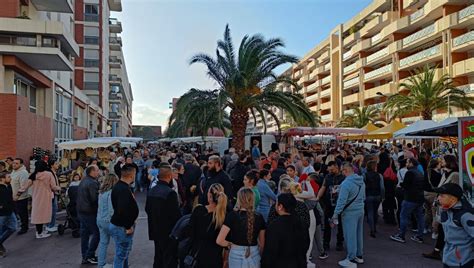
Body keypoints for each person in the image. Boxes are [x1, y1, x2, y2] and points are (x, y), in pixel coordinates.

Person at [216, 187, 266, 268]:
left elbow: (219, 240)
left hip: (236, 253)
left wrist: (230, 244)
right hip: (254, 254)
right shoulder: (259, 217)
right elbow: (262, 244)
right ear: (252, 199)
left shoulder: (232, 216)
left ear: (239, 199)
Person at [146, 164, 181, 268]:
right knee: (169, 258)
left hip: (155, 230)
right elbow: (176, 215)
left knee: (158, 256)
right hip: (168, 232)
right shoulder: (170, 193)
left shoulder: (152, 190)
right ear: (169, 176)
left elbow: (147, 209)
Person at [331, 162, 366, 267]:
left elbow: (341, 201)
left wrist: (335, 214)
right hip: (360, 210)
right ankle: (359, 256)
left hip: (350, 212)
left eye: (342, 171)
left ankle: (350, 258)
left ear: (345, 171)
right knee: (358, 234)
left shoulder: (346, 183)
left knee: (350, 236)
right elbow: (363, 197)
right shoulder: (361, 181)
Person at [261, 193, 309, 268]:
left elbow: (270, 251)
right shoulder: (301, 223)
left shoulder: (274, 226)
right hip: (299, 263)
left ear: (280, 206)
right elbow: (306, 244)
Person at [17, 161, 60, 239]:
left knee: (38, 215)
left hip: (36, 197)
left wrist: (18, 193)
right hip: (46, 197)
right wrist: (59, 188)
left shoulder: (33, 175)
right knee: (44, 214)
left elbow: (25, 186)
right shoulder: (48, 174)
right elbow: (53, 186)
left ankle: (39, 231)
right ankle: (39, 233)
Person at [433, 183, 474, 268]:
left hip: (463, 261)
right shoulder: (445, 211)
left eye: (442, 196)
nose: (438, 198)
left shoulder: (465, 215)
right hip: (447, 258)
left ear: (452, 199)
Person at [189, 183, 228, 268]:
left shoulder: (198, 210)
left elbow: (190, 232)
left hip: (198, 254)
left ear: (210, 195)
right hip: (215, 257)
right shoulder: (225, 215)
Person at [110, 164, 139, 267]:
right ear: (131, 175)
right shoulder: (122, 189)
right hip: (122, 226)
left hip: (121, 225)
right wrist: (128, 226)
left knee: (123, 254)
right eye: (135, 173)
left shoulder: (121, 186)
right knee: (121, 255)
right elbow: (122, 209)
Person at [390, 158, 425, 244]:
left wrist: (401, 185)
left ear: (411, 163)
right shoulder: (419, 172)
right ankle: (419, 236)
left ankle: (401, 235)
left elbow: (406, 185)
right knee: (420, 217)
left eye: (407, 162)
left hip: (410, 198)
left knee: (404, 216)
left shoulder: (410, 173)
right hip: (419, 198)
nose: (406, 164)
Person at [316, 161, 345, 251]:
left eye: (332, 169)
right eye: (329, 169)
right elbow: (323, 187)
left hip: (340, 205)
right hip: (329, 204)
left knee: (340, 225)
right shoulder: (327, 177)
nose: (330, 171)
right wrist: (317, 198)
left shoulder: (343, 177)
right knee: (327, 224)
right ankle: (326, 243)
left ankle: (339, 243)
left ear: (337, 167)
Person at [76, 165, 100, 264]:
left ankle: (85, 256)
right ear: (92, 172)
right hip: (89, 212)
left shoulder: (84, 180)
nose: (99, 172)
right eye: (97, 170)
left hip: (81, 211)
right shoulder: (92, 183)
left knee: (85, 234)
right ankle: (89, 255)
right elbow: (94, 199)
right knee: (97, 233)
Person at [97, 174, 119, 268]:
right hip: (109, 221)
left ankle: (101, 264)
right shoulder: (111, 193)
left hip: (100, 219)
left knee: (103, 242)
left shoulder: (101, 192)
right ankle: (118, 264)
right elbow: (111, 210)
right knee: (119, 243)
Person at [364, 160, 385, 237]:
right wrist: (383, 196)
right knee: (375, 211)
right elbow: (382, 187)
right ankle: (374, 227)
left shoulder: (365, 175)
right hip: (377, 195)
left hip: (368, 195)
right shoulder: (379, 175)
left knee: (370, 212)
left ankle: (372, 228)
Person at [10, 158, 30, 234]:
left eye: (16, 163)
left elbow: (23, 187)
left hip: (21, 198)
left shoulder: (23, 173)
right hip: (13, 197)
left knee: (22, 214)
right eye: (13, 163)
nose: (14, 164)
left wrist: (17, 196)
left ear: (21, 164)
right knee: (16, 213)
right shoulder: (14, 171)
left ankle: (24, 228)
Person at [0, 172, 17, 257]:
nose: (10, 178)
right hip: (2, 213)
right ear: (2, 179)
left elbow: (10, 198)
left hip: (10, 211)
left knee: (13, 228)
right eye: (9, 177)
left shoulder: (9, 186)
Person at [46, 159, 60, 233]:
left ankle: (51, 224)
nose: (58, 165)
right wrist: (58, 188)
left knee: (54, 209)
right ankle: (50, 226)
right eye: (56, 164)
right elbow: (52, 185)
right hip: (52, 193)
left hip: (53, 193)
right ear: (52, 165)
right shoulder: (50, 173)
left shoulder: (53, 172)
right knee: (52, 210)